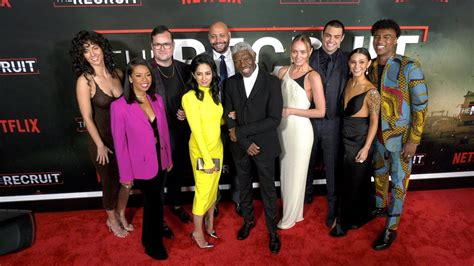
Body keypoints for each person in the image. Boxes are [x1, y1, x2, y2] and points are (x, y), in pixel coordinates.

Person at [368, 19, 428, 250]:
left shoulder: (409, 67)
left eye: (386, 37)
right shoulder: (371, 66)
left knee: (399, 184)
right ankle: (380, 206)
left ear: (395, 40)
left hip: (402, 139)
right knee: (380, 175)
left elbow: (421, 105)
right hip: (378, 138)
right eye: (377, 37)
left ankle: (391, 228)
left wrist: (414, 139)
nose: (380, 41)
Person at [70, 30, 131, 238]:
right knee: (110, 181)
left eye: (95, 47)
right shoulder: (85, 81)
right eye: (86, 51)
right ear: (82, 56)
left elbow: (128, 108)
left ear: (102, 48)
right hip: (102, 141)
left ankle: (121, 212)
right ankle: (111, 218)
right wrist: (100, 145)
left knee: (128, 181)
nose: (92, 53)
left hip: (123, 139)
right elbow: (86, 117)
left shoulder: (118, 74)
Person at [111, 58, 173, 260]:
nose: (144, 79)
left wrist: (168, 157)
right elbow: (120, 145)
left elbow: (163, 132)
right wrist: (126, 176)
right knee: (153, 202)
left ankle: (149, 237)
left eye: (147, 74)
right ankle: (153, 245)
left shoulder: (156, 99)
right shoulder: (119, 107)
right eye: (138, 75)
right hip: (141, 165)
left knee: (156, 200)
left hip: (161, 159)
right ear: (130, 78)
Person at [224, 42, 283, 253]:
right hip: (241, 147)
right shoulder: (230, 83)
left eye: (245, 58)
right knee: (244, 186)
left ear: (254, 56)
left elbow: (274, 119)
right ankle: (248, 221)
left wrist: (240, 133)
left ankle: (272, 230)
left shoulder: (273, 83)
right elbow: (228, 114)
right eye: (237, 60)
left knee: (268, 190)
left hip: (264, 146)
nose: (242, 64)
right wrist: (244, 142)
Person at [277, 34, 326, 230]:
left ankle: (288, 218)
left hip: (300, 132)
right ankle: (295, 214)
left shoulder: (313, 76)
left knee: (296, 174)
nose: (298, 56)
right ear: (291, 51)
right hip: (282, 130)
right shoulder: (282, 72)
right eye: (295, 51)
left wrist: (291, 111)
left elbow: (321, 111)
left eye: (303, 52)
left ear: (310, 52)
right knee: (285, 173)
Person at [329, 48, 380, 237]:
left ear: (368, 64)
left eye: (361, 62)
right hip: (343, 138)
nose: (356, 66)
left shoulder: (371, 91)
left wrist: (366, 148)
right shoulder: (348, 82)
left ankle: (344, 223)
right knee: (345, 181)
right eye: (353, 62)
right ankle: (359, 215)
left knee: (353, 183)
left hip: (359, 142)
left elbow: (375, 122)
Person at [148, 25, 192, 230]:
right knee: (158, 176)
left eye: (166, 44)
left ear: (173, 45)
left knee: (177, 172)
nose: (162, 48)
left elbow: (193, 98)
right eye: (158, 44)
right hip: (156, 133)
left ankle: (175, 204)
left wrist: (187, 111)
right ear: (152, 46)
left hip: (181, 131)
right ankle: (158, 219)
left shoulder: (184, 68)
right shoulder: (146, 71)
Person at [307, 20, 349, 228]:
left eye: (336, 36)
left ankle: (333, 208)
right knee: (306, 164)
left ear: (342, 38)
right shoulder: (309, 56)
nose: (331, 40)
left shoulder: (349, 60)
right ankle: (304, 199)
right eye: (328, 35)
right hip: (309, 122)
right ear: (322, 34)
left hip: (334, 123)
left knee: (332, 168)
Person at [182, 54, 223, 249]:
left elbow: (215, 120)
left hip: (217, 149)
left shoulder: (215, 94)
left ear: (213, 73)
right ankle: (197, 232)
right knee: (203, 192)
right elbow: (197, 131)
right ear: (193, 75)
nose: (204, 78)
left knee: (213, 190)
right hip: (201, 152)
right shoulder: (189, 98)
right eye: (199, 74)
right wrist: (206, 160)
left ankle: (210, 225)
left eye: (208, 73)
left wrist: (229, 117)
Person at [207, 21, 241, 216]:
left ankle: (238, 199)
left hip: (236, 122)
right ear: (209, 38)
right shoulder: (203, 60)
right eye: (213, 36)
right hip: (212, 124)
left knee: (238, 162)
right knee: (213, 164)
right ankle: (215, 200)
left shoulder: (240, 58)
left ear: (229, 35)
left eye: (221, 35)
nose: (218, 40)